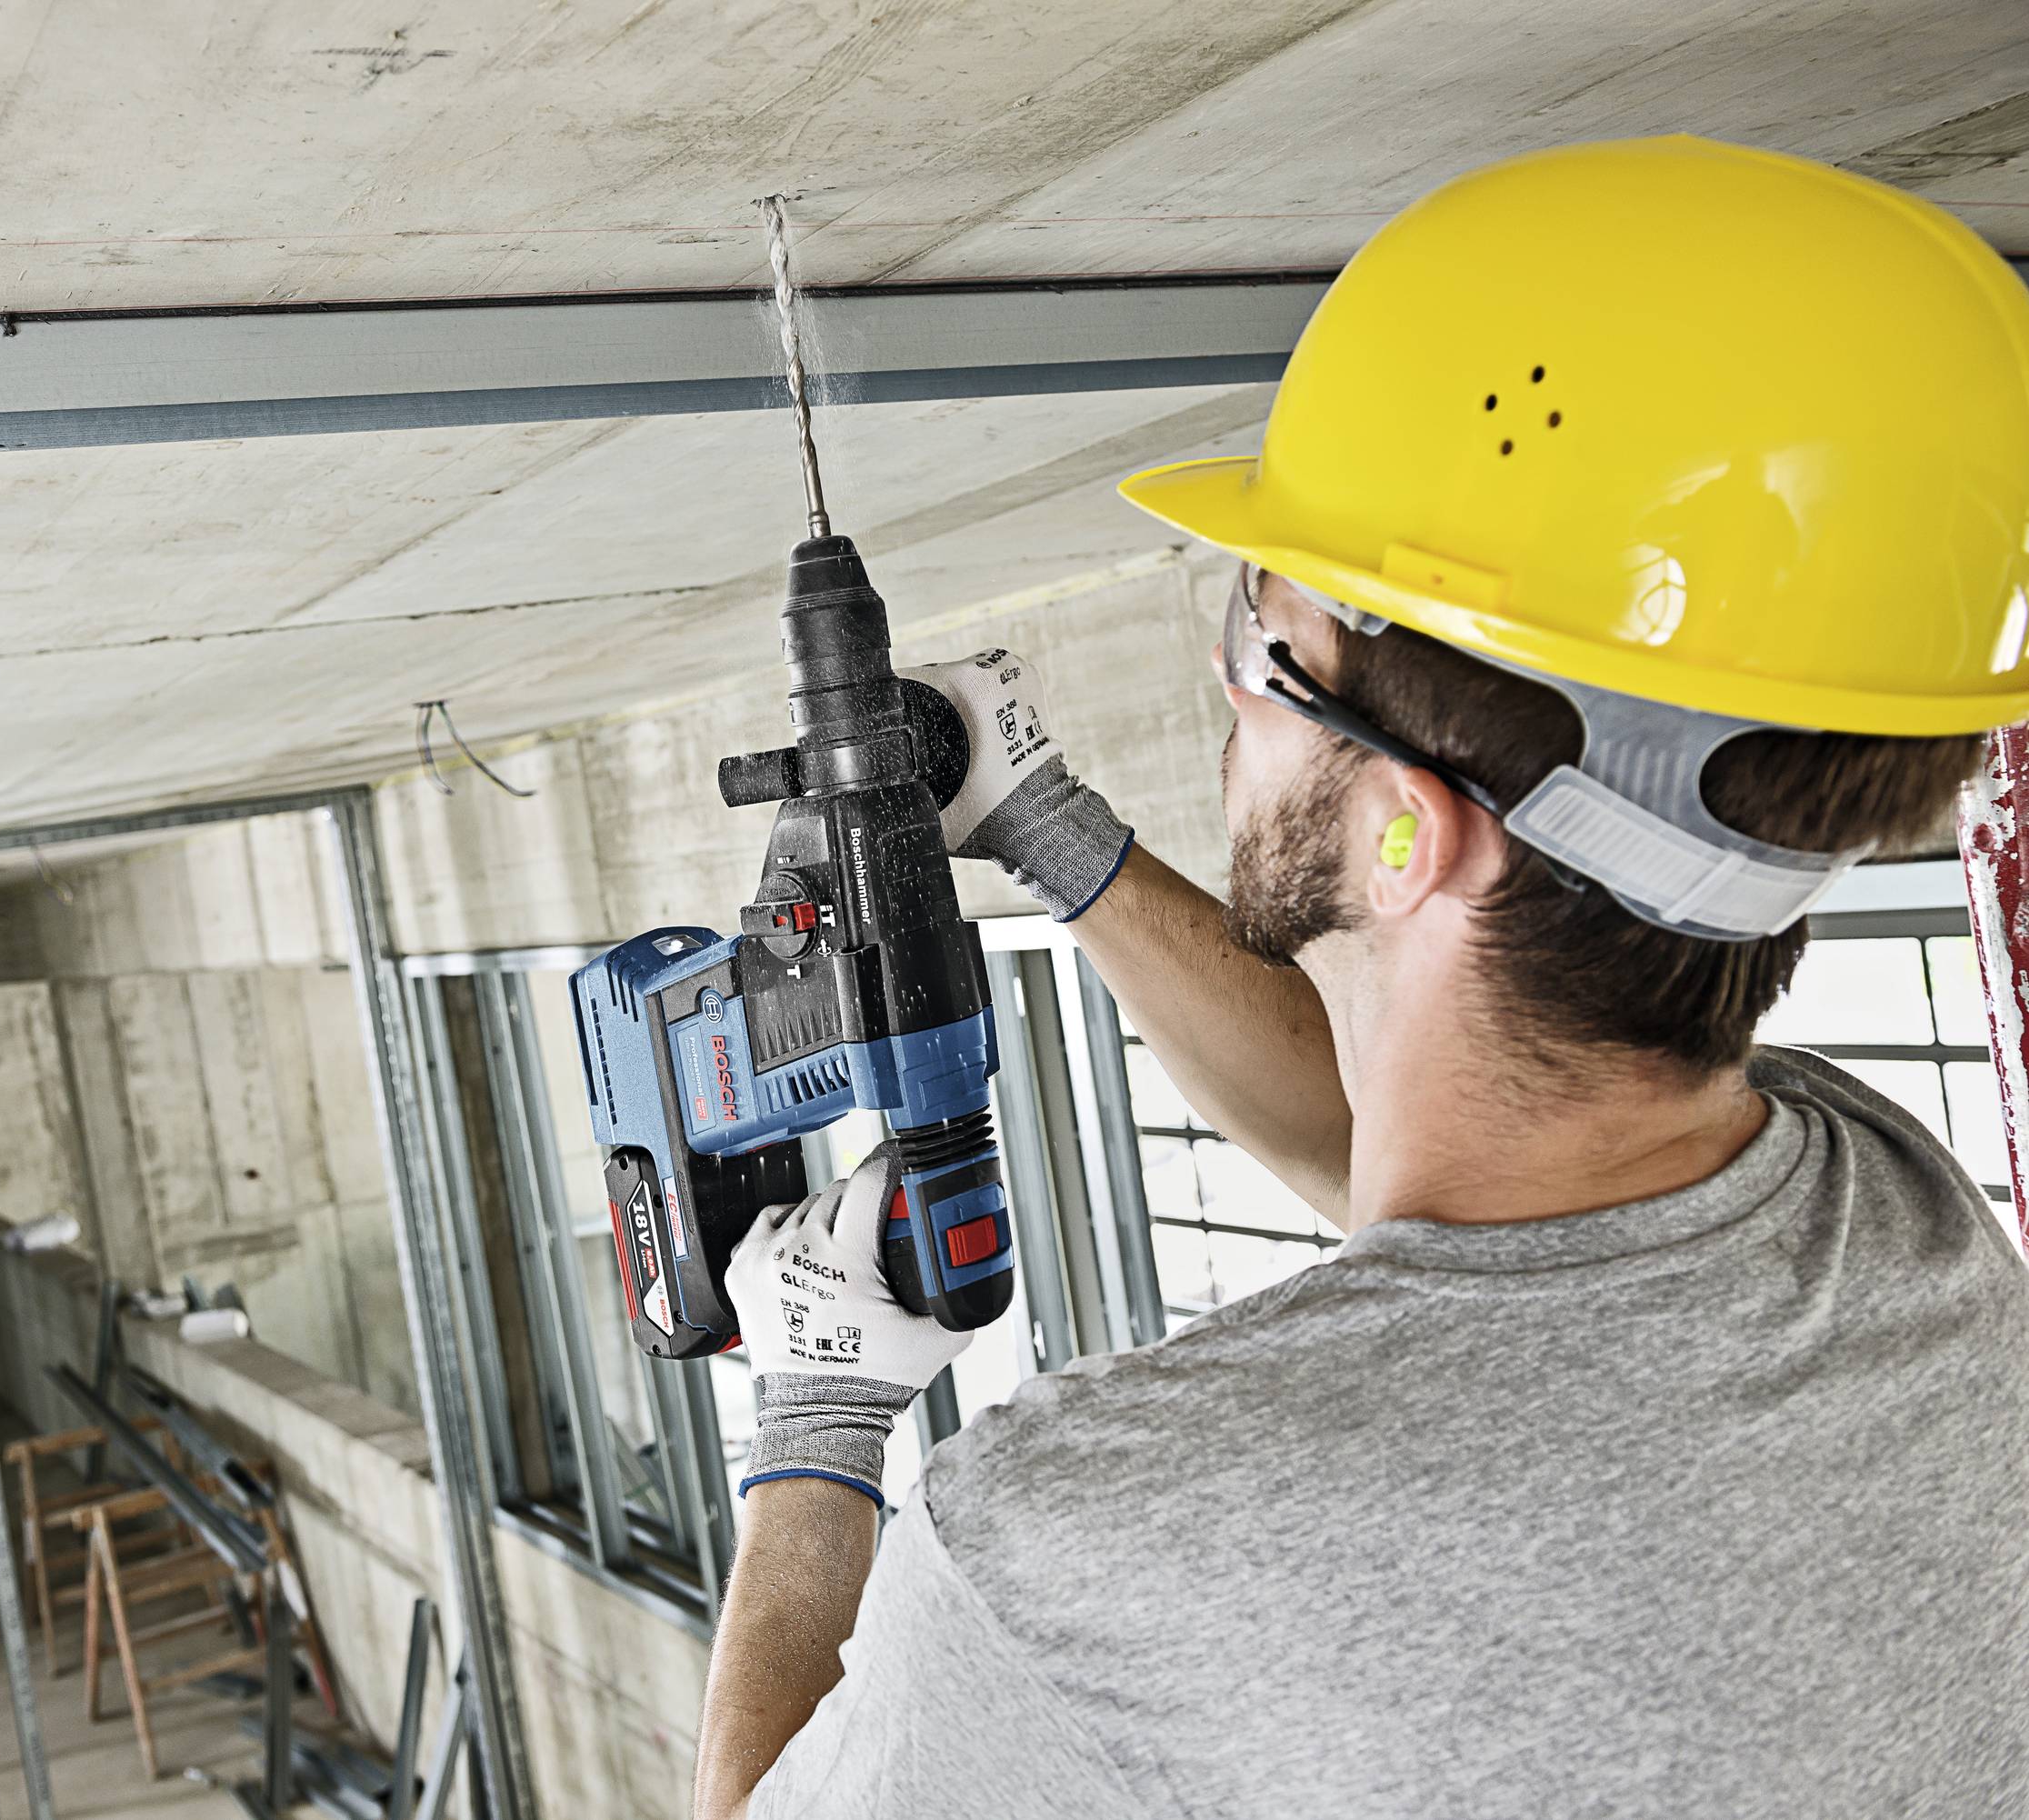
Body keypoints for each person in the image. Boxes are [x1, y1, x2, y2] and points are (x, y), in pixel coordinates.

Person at [693, 135, 2029, 1819]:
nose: (1223, 673)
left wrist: (813, 1422)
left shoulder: (1091, 1543)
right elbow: (1411, 1175)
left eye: (1269, 641)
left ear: (1408, 839)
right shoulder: (1890, 1226)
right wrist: (1049, 834)